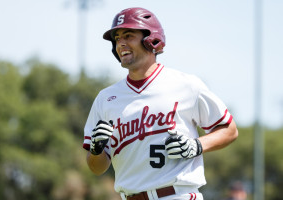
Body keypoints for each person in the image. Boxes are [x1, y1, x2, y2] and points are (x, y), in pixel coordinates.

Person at [83, 7, 238, 200]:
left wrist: (196, 146)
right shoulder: (106, 98)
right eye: (117, 38)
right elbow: (96, 168)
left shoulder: (186, 85)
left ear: (151, 39)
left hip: (177, 195)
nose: (120, 43)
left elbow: (229, 130)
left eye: (128, 35)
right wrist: (96, 150)